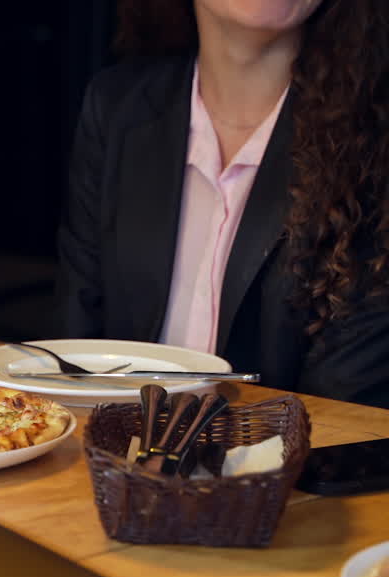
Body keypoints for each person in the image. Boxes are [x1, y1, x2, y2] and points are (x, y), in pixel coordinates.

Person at [55, 0, 389, 407]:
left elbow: (348, 403)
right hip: (114, 459)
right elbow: (73, 352)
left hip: (296, 463)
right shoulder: (116, 106)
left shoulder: (373, 140)